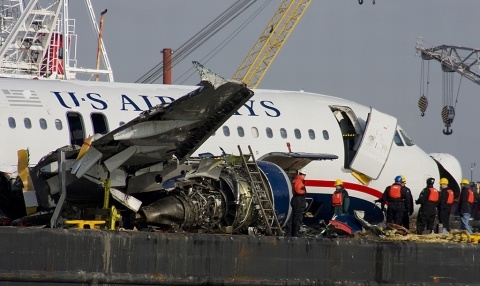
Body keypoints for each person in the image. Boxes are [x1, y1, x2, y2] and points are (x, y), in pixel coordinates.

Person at [285, 168, 307, 237]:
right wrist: (303, 191)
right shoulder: (299, 181)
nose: (304, 177)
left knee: (293, 217)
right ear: (301, 174)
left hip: (295, 199)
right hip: (299, 200)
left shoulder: (295, 180)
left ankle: (290, 233)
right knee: (298, 217)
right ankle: (295, 233)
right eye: (304, 175)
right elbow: (298, 190)